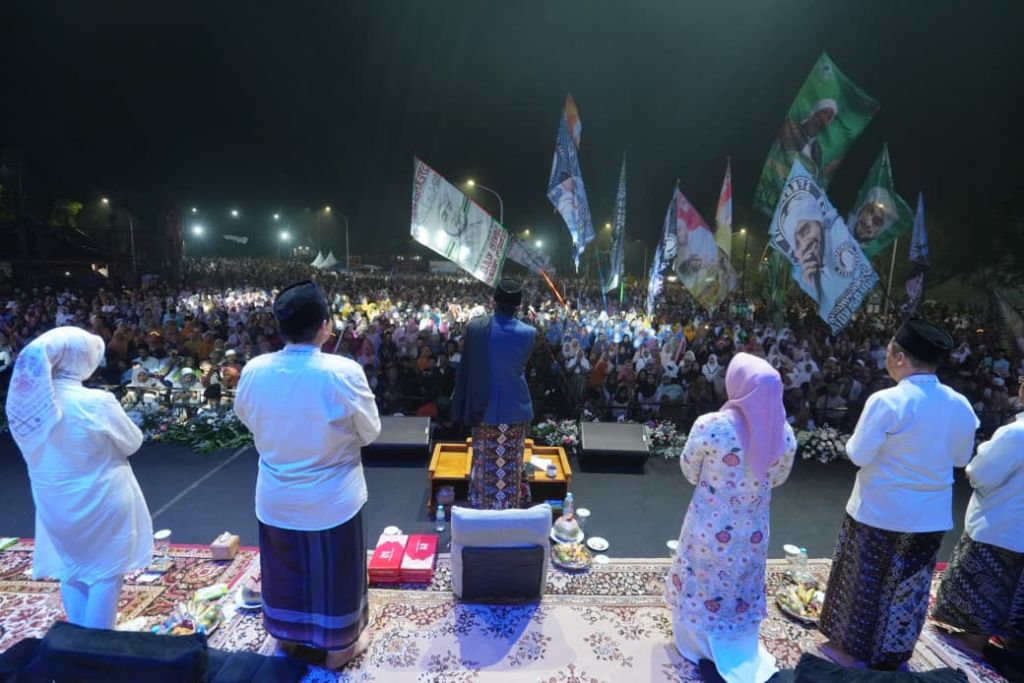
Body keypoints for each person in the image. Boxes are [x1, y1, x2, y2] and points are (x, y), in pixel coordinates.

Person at [235, 281, 381, 668]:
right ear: (326, 326)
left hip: (276, 496)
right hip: (333, 498)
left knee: (286, 572)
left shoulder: (254, 370)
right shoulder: (342, 372)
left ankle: (288, 639)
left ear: (280, 329)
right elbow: (370, 432)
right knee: (336, 574)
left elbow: (247, 418)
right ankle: (339, 648)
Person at [819, 318, 979, 670]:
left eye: (890, 352)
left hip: (880, 511)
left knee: (864, 582)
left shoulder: (888, 401)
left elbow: (858, 454)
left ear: (901, 357)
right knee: (908, 587)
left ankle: (848, 653)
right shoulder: (961, 405)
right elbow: (960, 458)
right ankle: (892, 655)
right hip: (929, 516)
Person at [5, 327, 152, 629]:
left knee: (70, 569)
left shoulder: (25, 405)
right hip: (101, 499)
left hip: (53, 502)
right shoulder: (95, 401)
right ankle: (93, 657)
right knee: (106, 574)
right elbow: (132, 441)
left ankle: (76, 643)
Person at [665, 353, 797, 683]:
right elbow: (778, 479)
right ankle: (734, 640)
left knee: (701, 578)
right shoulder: (785, 435)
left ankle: (695, 644)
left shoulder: (712, 426)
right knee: (740, 580)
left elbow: (688, 469)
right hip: (752, 528)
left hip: (709, 525)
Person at [931, 374, 1024, 663]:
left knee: (977, 617)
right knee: (1007, 603)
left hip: (999, 532)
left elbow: (979, 473)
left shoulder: (1017, 433)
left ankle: (968, 661)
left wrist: (983, 452)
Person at [452, 278, 537, 510]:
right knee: (511, 468)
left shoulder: (476, 327)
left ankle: (483, 516)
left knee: (484, 466)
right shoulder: (529, 333)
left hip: (483, 407)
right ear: (518, 307)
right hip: (515, 408)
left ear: (493, 301)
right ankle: (509, 518)